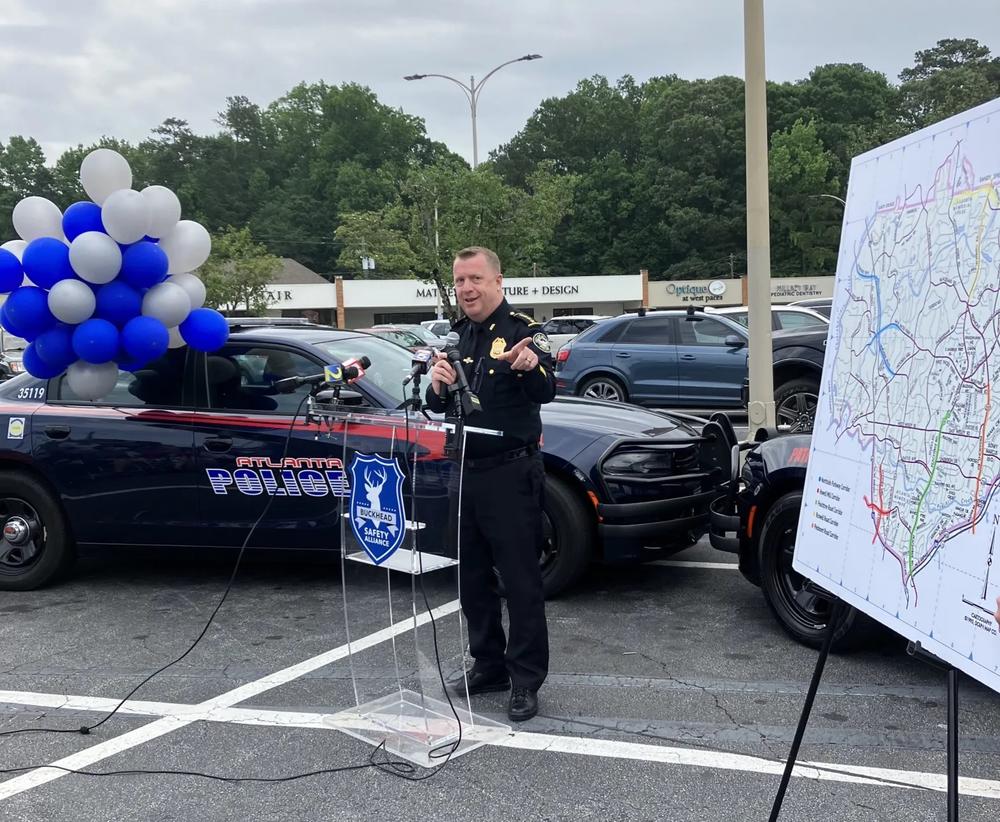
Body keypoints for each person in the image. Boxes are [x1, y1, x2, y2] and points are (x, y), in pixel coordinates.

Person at [425, 246, 556, 722]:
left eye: (475, 279)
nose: (466, 289)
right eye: (459, 281)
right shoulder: (457, 337)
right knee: (471, 578)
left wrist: (529, 368)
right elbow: (438, 405)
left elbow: (547, 389)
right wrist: (437, 384)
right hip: (465, 473)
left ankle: (525, 679)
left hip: (511, 474)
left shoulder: (524, 331)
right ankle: (488, 664)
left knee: (520, 581)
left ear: (498, 281)